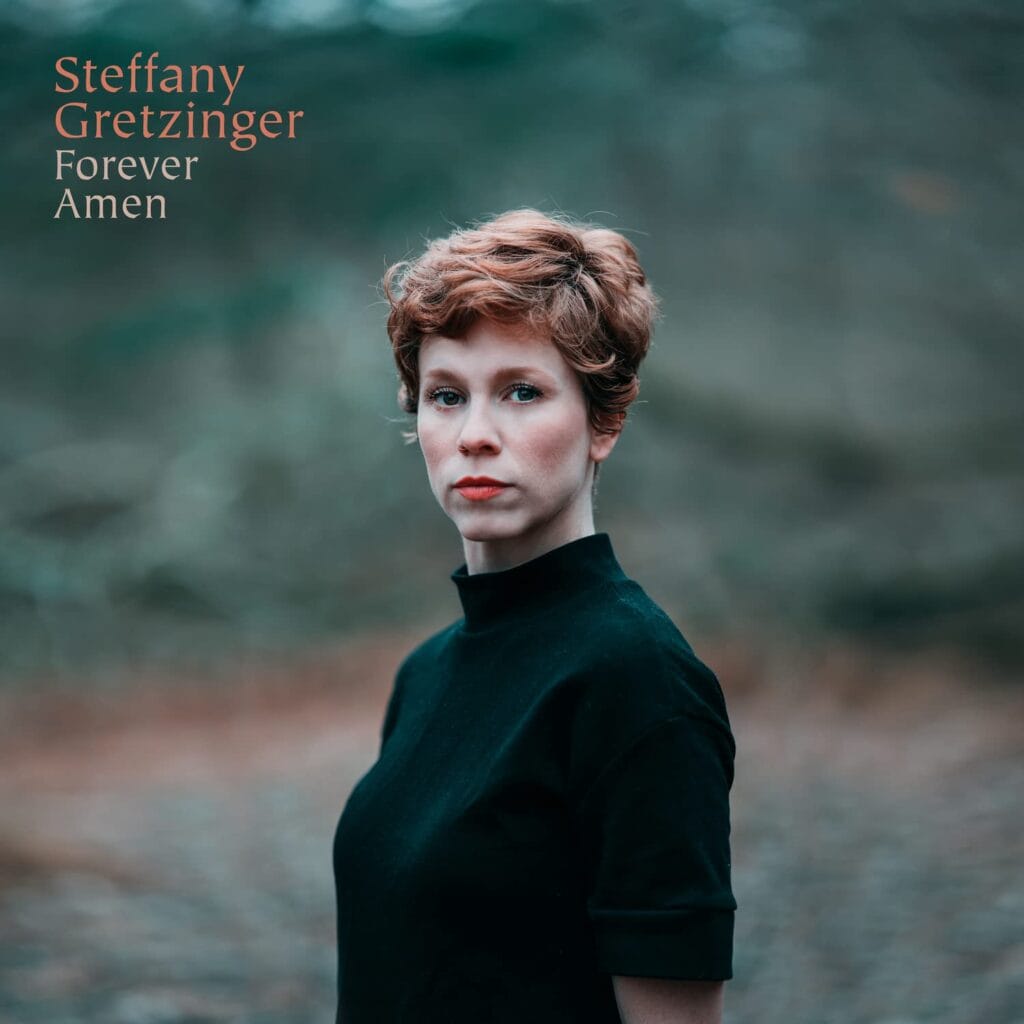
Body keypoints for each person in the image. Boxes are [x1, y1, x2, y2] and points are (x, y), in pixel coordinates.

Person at [332, 210, 737, 1024]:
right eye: (447, 396)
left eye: (522, 391)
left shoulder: (638, 680)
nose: (475, 435)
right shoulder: (427, 673)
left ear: (605, 421)